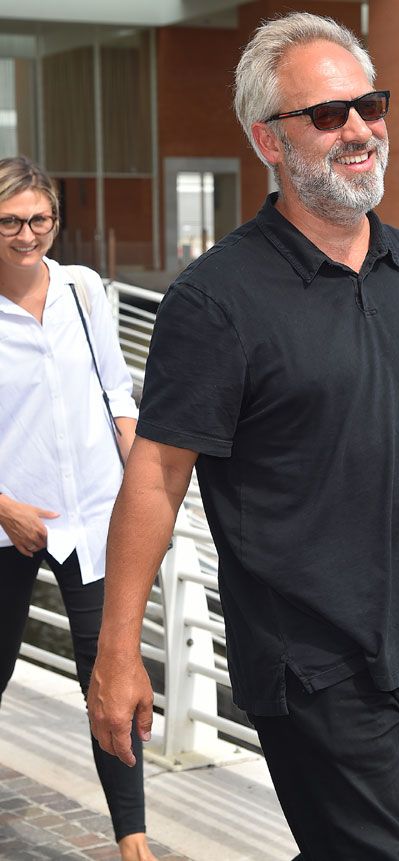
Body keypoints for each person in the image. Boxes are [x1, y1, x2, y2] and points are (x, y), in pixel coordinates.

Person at [87, 12, 399, 860]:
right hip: (308, 667)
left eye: (370, 105)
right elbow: (157, 475)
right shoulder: (216, 300)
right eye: (328, 115)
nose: (359, 129)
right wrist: (117, 655)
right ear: (269, 141)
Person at [0, 156, 156, 861]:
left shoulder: (85, 288)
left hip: (95, 518)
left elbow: (119, 393)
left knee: (112, 677)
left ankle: (132, 840)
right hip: (9, 525)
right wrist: (4, 507)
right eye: (9, 220)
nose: (25, 234)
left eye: (37, 219)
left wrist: (142, 491)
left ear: (55, 222)